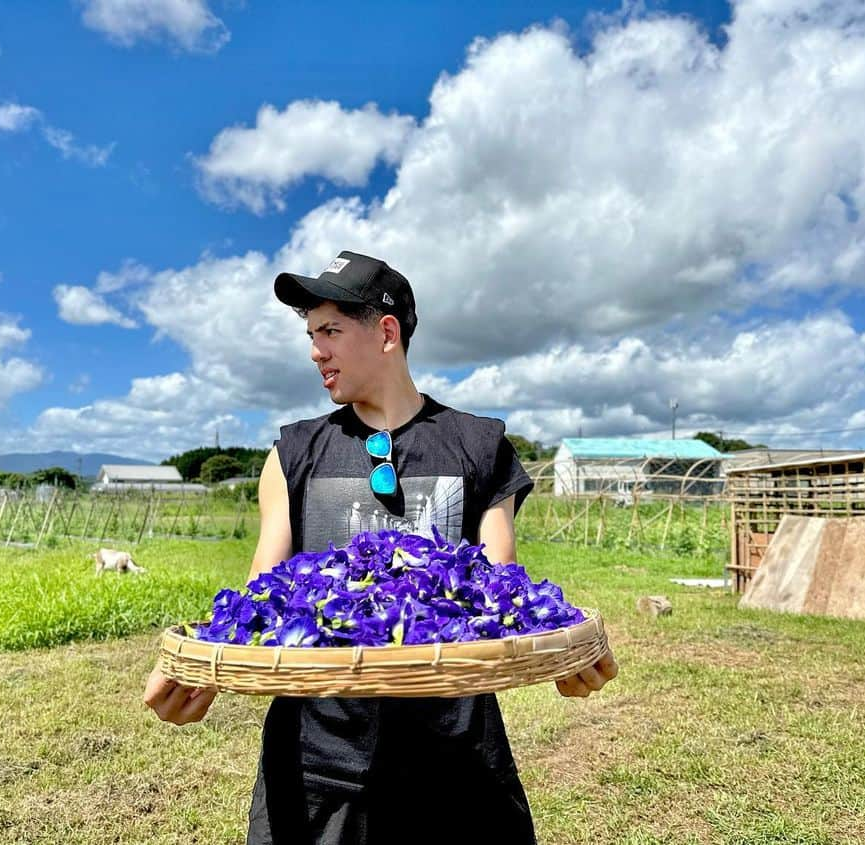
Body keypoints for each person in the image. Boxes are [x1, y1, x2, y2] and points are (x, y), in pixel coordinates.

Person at [143, 250, 619, 844]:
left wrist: (561, 655)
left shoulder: (480, 446)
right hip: (319, 770)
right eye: (312, 334)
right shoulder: (292, 454)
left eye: (331, 331)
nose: (316, 350)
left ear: (386, 331)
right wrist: (203, 668)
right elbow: (259, 597)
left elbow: (504, 595)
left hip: (456, 765)